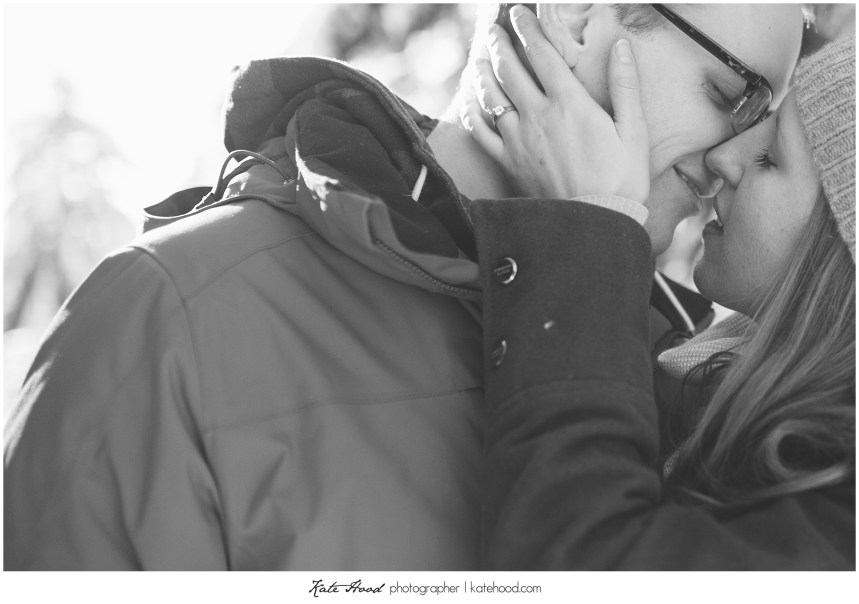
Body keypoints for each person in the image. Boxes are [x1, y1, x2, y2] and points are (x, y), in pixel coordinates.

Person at [4, 4, 804, 569]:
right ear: (576, 17)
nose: (738, 156)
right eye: (733, 96)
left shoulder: (702, 400)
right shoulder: (169, 316)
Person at [468, 7, 854, 569]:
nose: (725, 159)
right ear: (575, 22)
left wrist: (587, 229)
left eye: (769, 156)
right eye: (727, 96)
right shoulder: (696, 377)